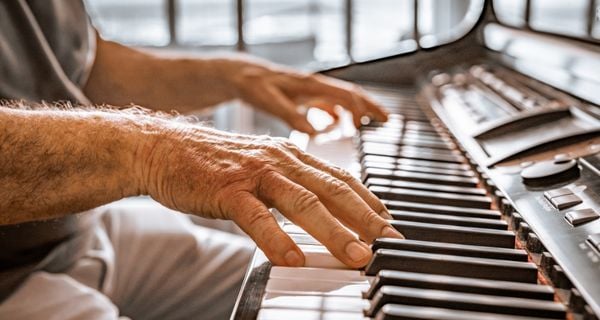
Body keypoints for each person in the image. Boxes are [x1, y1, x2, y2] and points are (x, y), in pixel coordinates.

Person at [0, 1, 404, 319]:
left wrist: (234, 77)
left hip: (77, 234)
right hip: (10, 285)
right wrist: (151, 152)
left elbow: (80, 67)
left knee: (353, 289)